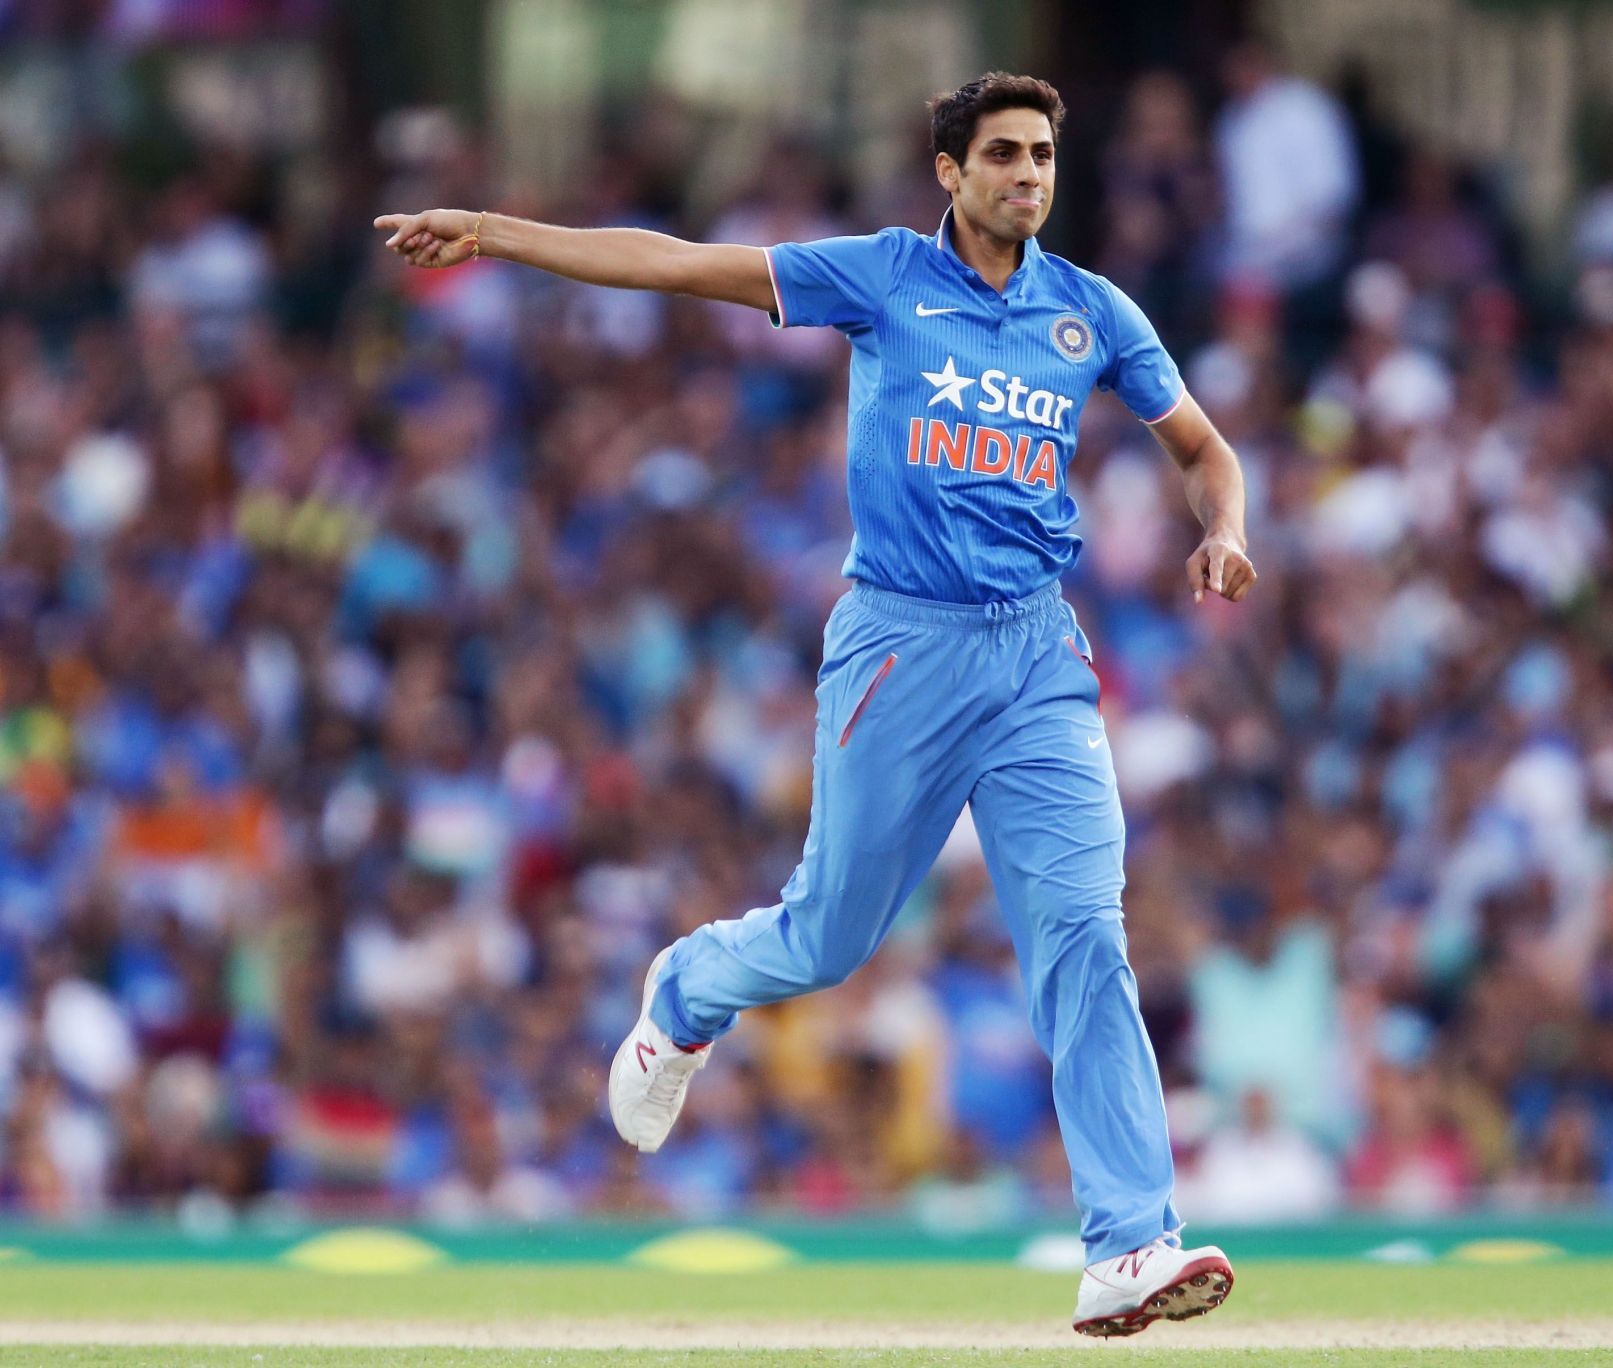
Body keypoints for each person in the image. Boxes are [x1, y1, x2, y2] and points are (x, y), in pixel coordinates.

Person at [375, 72, 1254, 1337]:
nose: (1029, 175)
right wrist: (499, 233)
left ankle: (1128, 1243)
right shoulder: (883, 276)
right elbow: (678, 266)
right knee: (831, 937)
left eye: (1045, 156)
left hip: (1037, 663)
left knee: (1085, 939)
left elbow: (1206, 453)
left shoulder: (1090, 312)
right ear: (948, 172)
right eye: (1003, 154)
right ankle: (684, 991)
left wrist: (1223, 530)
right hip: (900, 643)